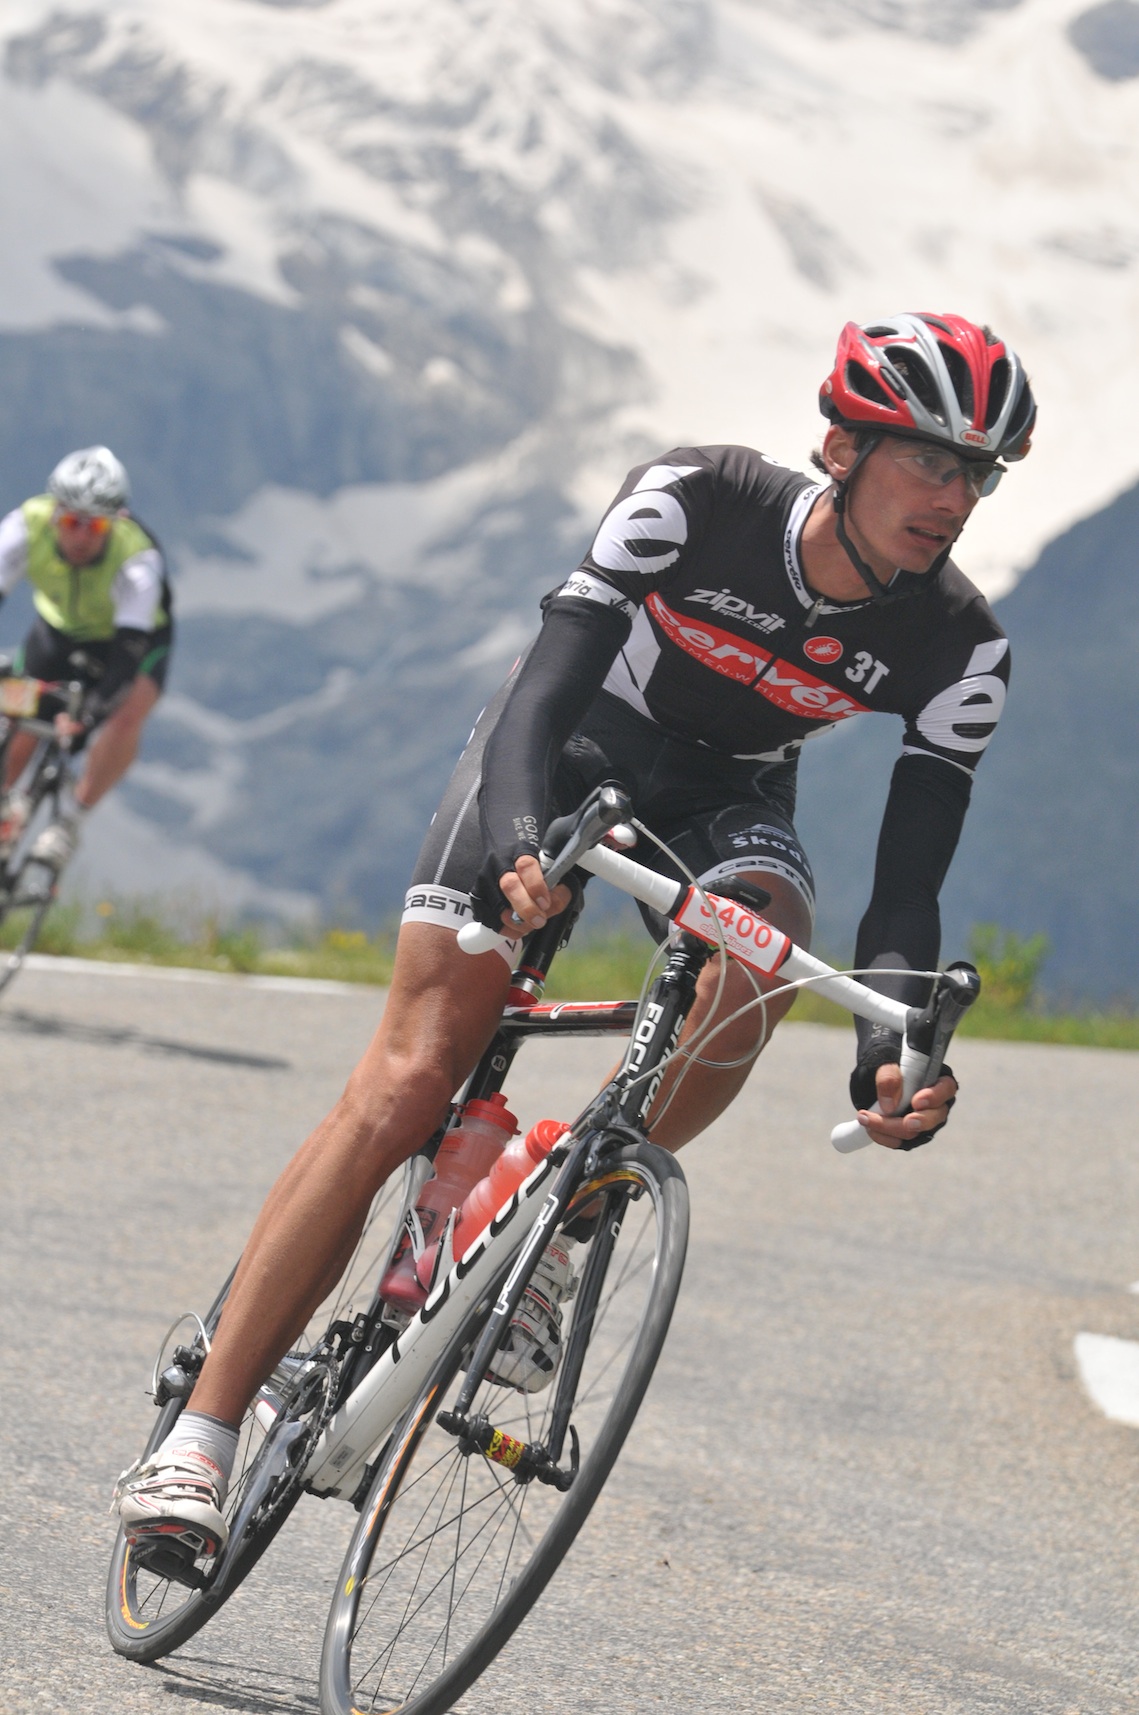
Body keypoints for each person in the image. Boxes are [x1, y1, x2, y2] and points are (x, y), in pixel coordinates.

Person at [116, 312, 1035, 1555]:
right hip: (568, 741)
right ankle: (200, 1436)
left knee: (766, 951)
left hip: (727, 795)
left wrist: (885, 1051)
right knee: (411, 1077)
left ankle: (565, 1209)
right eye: (929, 460)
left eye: (977, 474)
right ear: (840, 447)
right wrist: (515, 841)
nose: (954, 498)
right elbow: (547, 684)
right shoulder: (696, 498)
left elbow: (904, 894)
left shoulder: (962, 646)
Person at [0, 446, 173, 868]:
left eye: (95, 525)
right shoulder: (23, 527)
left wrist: (88, 718)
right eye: (71, 522)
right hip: (58, 631)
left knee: (126, 715)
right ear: (54, 513)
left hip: (130, 641)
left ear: (117, 520)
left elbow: (127, 659)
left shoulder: (138, 562)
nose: (81, 536)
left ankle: (70, 821)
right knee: (15, 712)